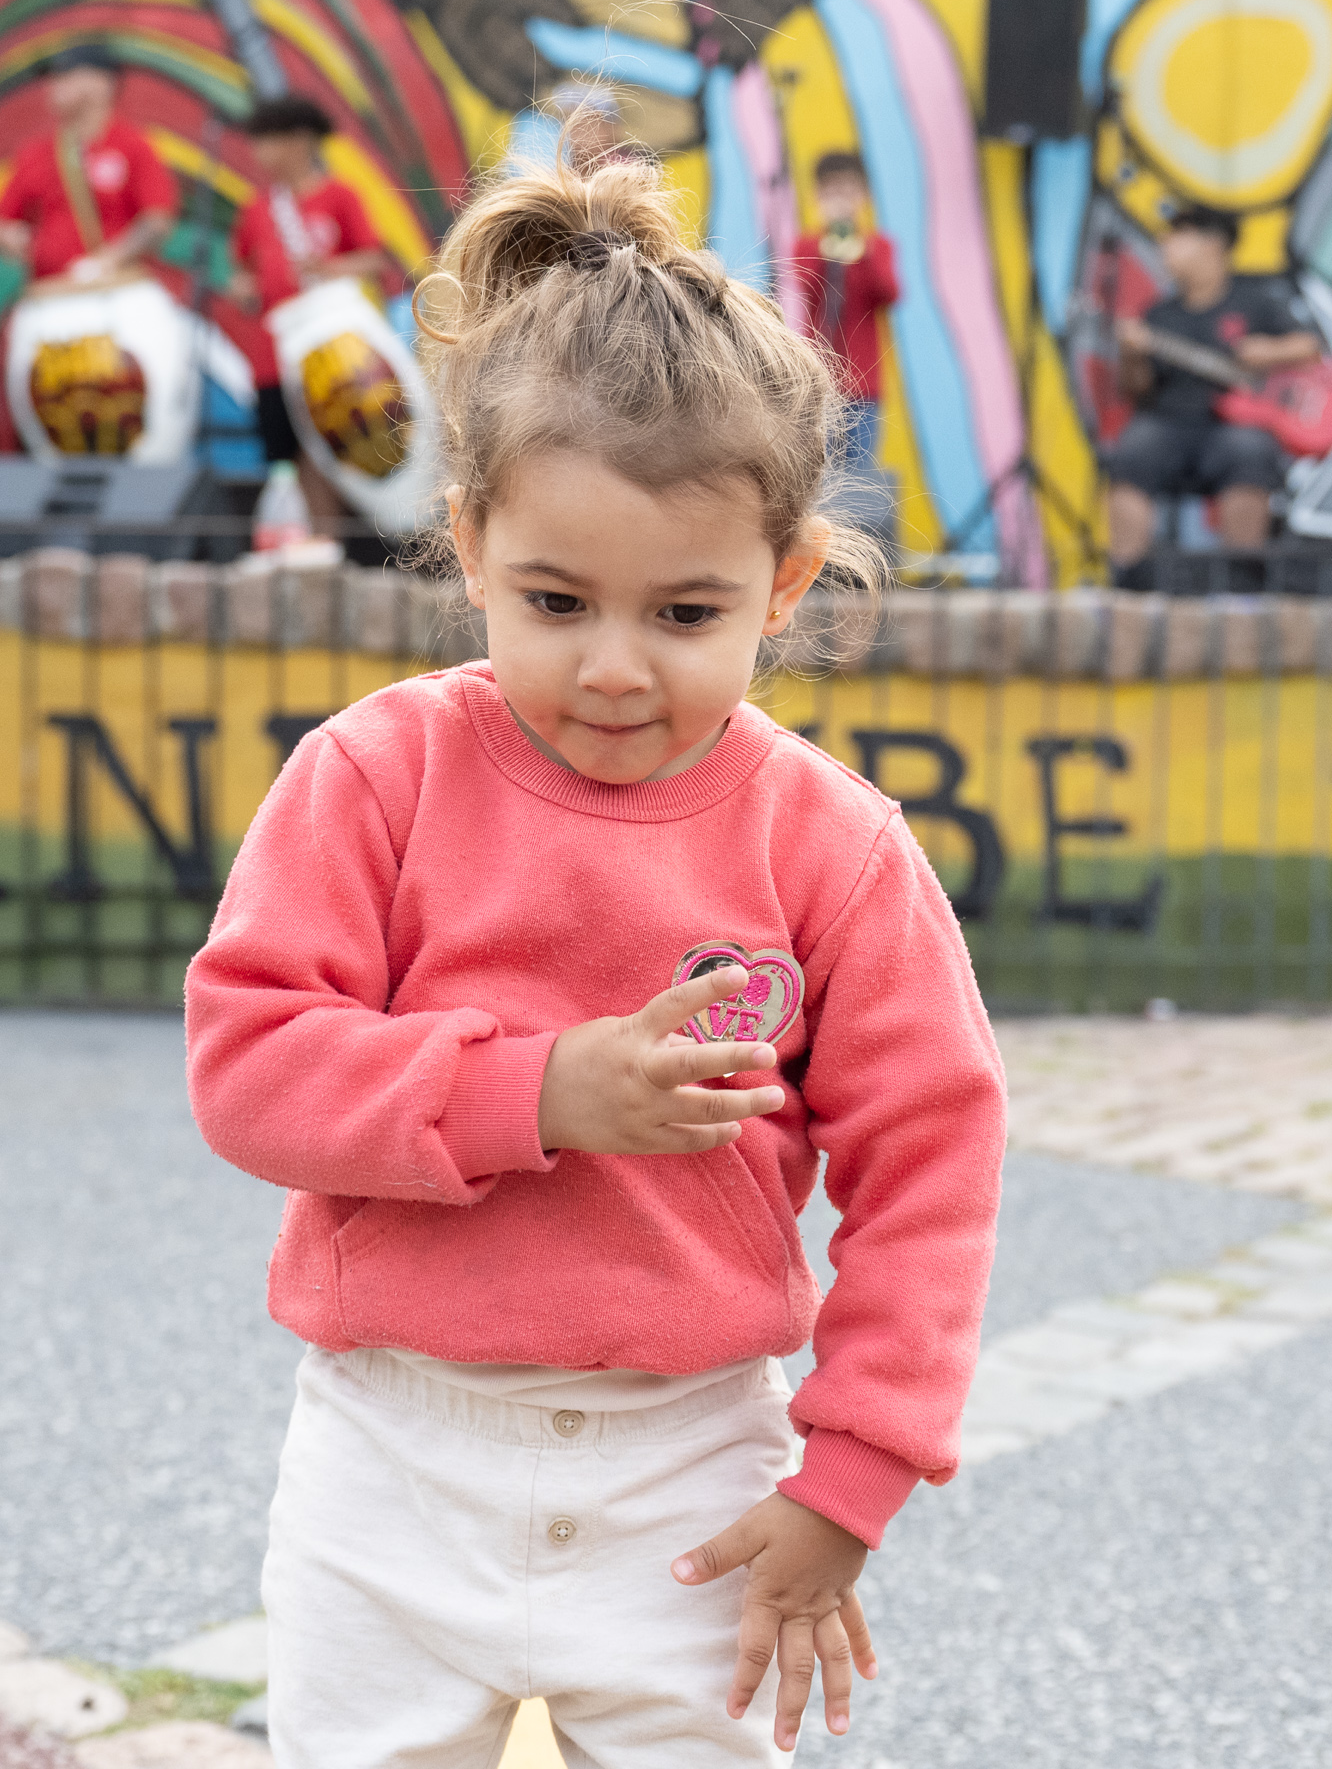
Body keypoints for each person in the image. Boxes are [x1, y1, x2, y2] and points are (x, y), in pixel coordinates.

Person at [185, 161, 1007, 1767]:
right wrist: (542, 1092)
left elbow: (933, 1161)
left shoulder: (834, 845)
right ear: (469, 544)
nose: (616, 668)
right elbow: (251, 1070)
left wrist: (855, 1472)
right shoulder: (372, 778)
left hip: (693, 1470)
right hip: (390, 1457)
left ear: (784, 584)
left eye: (686, 614)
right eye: (556, 602)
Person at [1105, 203, 1322, 567]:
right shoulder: (1159, 315)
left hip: (1233, 428)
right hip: (1169, 424)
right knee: (1132, 450)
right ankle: (1127, 576)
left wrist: (1268, 351)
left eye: (1178, 236)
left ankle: (1241, 578)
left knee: (1250, 451)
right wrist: (1132, 357)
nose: (1165, 246)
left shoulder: (1255, 300)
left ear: (1212, 244)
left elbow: (1311, 347)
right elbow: (1137, 391)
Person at [224, 94, 390, 532]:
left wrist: (329, 269)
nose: (258, 153)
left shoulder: (340, 196)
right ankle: (304, 538)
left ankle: (328, 539)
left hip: (330, 354)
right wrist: (242, 288)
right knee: (288, 451)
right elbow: (241, 271)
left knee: (330, 446)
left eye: (267, 141)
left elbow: (373, 260)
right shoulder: (257, 208)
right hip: (273, 355)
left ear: (300, 141)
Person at [0, 43, 178, 282]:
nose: (53, 85)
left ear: (102, 83)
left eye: (65, 75)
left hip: (118, 287)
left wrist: (108, 261)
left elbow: (157, 221)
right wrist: (9, 237)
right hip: (53, 288)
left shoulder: (133, 146)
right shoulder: (35, 153)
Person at [781, 152, 899, 473]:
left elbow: (888, 293)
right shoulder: (807, 246)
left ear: (864, 196)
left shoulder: (878, 246)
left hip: (864, 387)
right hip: (820, 385)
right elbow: (805, 284)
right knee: (818, 472)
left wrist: (863, 250)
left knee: (858, 476)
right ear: (818, 197)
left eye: (848, 191)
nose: (841, 200)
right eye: (832, 191)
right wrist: (829, 248)